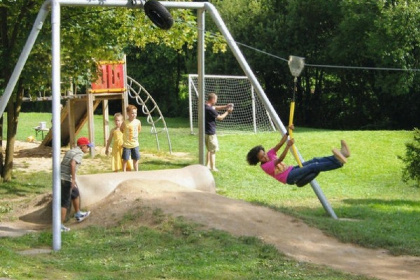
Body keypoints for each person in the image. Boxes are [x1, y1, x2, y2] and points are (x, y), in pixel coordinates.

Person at [246, 125, 350, 186]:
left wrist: (287, 133)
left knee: (314, 160)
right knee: (312, 166)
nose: (265, 157)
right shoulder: (265, 167)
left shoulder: (269, 154)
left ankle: (342, 154)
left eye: (264, 154)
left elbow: (279, 144)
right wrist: (288, 146)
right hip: (289, 177)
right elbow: (280, 159)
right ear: (258, 160)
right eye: (262, 157)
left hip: (291, 170)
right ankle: (338, 162)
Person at [60, 137, 92, 232]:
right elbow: (73, 164)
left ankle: (78, 213)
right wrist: (73, 179)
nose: (88, 149)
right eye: (87, 146)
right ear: (83, 146)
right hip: (65, 179)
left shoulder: (71, 151)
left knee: (75, 193)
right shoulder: (79, 153)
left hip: (60, 176)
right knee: (65, 202)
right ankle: (60, 225)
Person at [205, 92, 234, 172]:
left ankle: (207, 165)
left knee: (208, 149)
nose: (216, 101)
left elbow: (216, 107)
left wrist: (225, 106)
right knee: (213, 150)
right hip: (211, 132)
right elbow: (220, 118)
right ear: (213, 99)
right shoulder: (210, 109)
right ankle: (213, 167)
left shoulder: (205, 106)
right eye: (216, 100)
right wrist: (228, 111)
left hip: (205, 131)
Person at [121, 105, 142, 171]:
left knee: (135, 158)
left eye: (135, 113)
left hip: (135, 144)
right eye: (132, 113)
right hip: (127, 144)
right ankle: (124, 171)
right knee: (125, 158)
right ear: (128, 113)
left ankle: (136, 171)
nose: (134, 115)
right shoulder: (125, 122)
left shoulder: (138, 122)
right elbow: (122, 129)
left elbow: (139, 129)